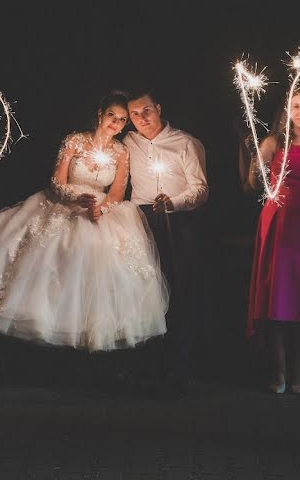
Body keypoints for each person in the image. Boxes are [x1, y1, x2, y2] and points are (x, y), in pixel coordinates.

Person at [0, 91, 168, 352]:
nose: (115, 123)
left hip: (101, 212)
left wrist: (100, 209)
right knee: (41, 250)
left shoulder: (122, 152)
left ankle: (90, 336)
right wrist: (76, 198)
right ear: (99, 114)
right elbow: (56, 182)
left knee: (100, 259)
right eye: (111, 116)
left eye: (121, 120)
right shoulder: (74, 141)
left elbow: (117, 193)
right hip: (65, 203)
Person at [243, 86, 300, 394]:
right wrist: (253, 156)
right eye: (296, 106)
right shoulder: (273, 144)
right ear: (287, 110)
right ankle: (279, 371)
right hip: (278, 226)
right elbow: (251, 185)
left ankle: (299, 370)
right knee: (276, 300)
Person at [124, 89, 208, 395]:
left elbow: (201, 189)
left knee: (179, 291)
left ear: (158, 108)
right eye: (134, 114)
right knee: (144, 292)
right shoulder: (128, 144)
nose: (142, 118)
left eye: (146, 110)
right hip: (140, 221)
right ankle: (147, 365)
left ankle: (178, 369)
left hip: (176, 220)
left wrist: (172, 202)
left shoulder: (186, 143)